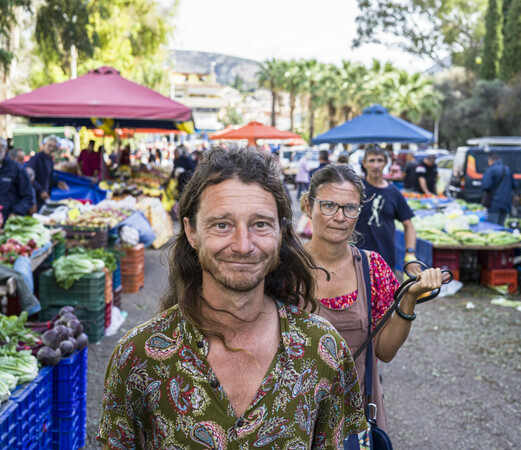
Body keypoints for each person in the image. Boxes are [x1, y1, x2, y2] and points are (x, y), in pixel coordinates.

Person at [97, 147, 367, 448]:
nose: (243, 245)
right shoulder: (138, 356)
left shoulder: (323, 350)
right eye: (222, 224)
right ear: (191, 231)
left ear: (281, 231)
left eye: (260, 224)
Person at [302, 163, 443, 430]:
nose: (340, 216)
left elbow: (385, 352)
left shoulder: (373, 268)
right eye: (328, 205)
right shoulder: (285, 269)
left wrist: (409, 298)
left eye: (350, 208)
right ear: (308, 207)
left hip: (358, 412)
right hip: (299, 414)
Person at [355, 145, 417, 271]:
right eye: (372, 160)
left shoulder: (393, 193)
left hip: (385, 262)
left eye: (380, 160)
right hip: (356, 259)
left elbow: (409, 225)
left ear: (385, 163)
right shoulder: (355, 190)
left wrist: (410, 254)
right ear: (364, 163)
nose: (376, 165)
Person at [26, 135, 69, 210]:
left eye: (54, 147)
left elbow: (47, 178)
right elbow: (29, 178)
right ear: (43, 145)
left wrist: (57, 183)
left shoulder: (50, 160)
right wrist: (40, 191)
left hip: (45, 198)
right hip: (34, 198)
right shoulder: (35, 159)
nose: (51, 148)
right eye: (49, 146)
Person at [0, 137, 34, 225]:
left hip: (11, 223)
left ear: (6, 150)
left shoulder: (17, 169)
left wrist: (16, 212)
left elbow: (27, 196)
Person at [482, 152, 515, 226]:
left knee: (492, 227)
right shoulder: (507, 169)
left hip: (494, 204)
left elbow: (486, 186)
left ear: (491, 160)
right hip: (506, 203)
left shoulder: (490, 170)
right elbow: (514, 185)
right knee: (501, 226)